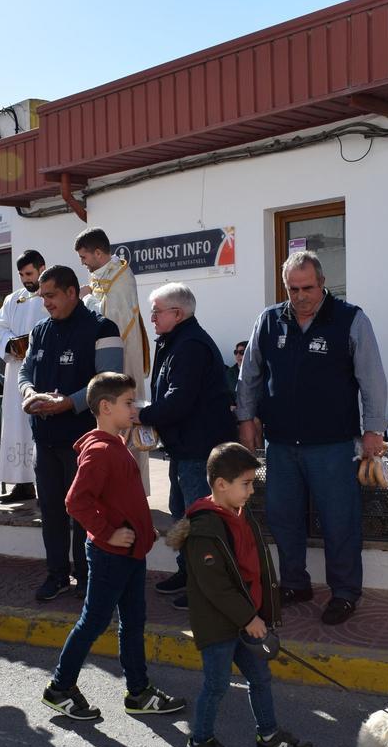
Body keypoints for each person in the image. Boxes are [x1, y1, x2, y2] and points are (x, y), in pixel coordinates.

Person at [236, 250, 387, 626]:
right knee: (283, 518)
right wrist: (246, 419)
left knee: (340, 521)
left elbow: (372, 379)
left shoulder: (350, 319)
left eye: (307, 287)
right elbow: (249, 376)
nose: (300, 295)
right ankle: (294, 584)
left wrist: (373, 430)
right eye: (293, 288)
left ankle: (345, 592)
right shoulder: (269, 321)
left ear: (323, 285)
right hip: (282, 444)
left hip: (333, 445)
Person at [41, 372, 185, 721]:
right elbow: (75, 502)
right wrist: (107, 533)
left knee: (134, 621)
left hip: (130, 555)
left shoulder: (118, 444)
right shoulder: (101, 452)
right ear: (106, 407)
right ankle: (60, 687)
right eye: (128, 403)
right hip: (111, 555)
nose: (134, 408)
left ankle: (138, 691)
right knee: (93, 621)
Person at [168, 442, 312, 747]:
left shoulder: (240, 513)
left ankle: (268, 736)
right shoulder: (205, 529)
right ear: (221, 484)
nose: (252, 490)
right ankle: (199, 742)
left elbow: (256, 567)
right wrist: (249, 617)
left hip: (247, 620)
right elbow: (216, 587)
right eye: (246, 483)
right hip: (220, 624)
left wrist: (262, 613)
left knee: (260, 676)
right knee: (217, 684)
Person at [20, 265, 124, 602]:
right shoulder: (39, 331)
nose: (45, 303)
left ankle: (86, 574)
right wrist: (28, 393)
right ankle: (57, 575)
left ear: (71, 292)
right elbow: (25, 371)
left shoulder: (102, 328)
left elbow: (108, 380)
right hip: (44, 440)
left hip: (84, 442)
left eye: (50, 296)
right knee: (50, 510)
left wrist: (70, 403)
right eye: (42, 297)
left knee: (85, 511)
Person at [136, 283, 236, 610]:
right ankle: (188, 573)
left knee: (200, 521)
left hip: (199, 448)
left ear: (176, 314)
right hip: (184, 447)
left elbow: (179, 400)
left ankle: (207, 587)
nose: (151, 317)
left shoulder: (190, 345)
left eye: (156, 311)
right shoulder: (178, 341)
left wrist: (141, 415)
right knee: (182, 516)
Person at [76, 228, 152, 493]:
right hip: (103, 354)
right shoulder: (101, 276)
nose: (82, 263)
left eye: (84, 256)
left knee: (125, 418)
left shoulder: (120, 276)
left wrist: (85, 299)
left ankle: (132, 488)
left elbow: (111, 319)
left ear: (98, 253)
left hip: (122, 356)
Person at [0, 250, 48, 503]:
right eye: (22, 275)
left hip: (43, 369)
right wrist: (9, 345)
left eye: (29, 273)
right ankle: (22, 483)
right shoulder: (13, 299)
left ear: (42, 268)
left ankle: (45, 482)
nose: (25, 279)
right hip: (16, 370)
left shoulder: (52, 296)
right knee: (17, 424)